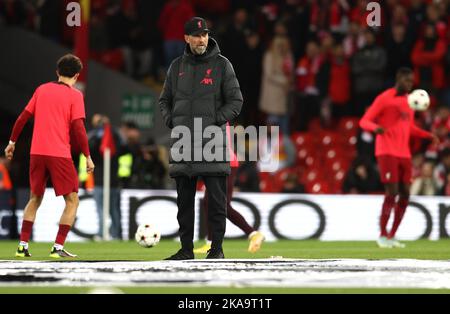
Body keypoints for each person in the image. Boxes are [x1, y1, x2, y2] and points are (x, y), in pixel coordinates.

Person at [159, 17, 243, 260]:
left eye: (205, 34)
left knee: (217, 202)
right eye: (196, 35)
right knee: (184, 202)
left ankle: (216, 249)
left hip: (212, 142)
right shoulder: (176, 66)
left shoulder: (222, 65)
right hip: (184, 142)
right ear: (186, 38)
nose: (201, 39)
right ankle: (186, 250)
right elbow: (164, 100)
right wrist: (172, 121)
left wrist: (215, 121)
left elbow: (236, 101)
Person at [4, 54, 94, 258]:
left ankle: (22, 245)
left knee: (34, 198)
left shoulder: (41, 89)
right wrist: (87, 155)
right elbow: (79, 128)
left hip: (36, 153)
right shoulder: (75, 95)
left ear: (57, 72)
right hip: (59, 154)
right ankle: (58, 247)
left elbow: (22, 118)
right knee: (72, 200)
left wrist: (12, 143)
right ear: (77, 76)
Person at [359, 67, 437, 249]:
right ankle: (382, 235)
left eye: (411, 82)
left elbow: (408, 127)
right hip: (386, 151)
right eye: (406, 81)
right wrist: (375, 128)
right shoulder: (384, 98)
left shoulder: (409, 102)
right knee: (392, 192)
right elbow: (364, 121)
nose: (409, 85)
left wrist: (427, 135)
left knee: (405, 195)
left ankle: (392, 234)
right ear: (398, 79)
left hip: (404, 153)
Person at [195, 123, 265, 254]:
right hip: (218, 162)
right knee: (209, 202)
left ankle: (253, 234)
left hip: (224, 162)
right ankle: (210, 243)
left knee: (221, 204)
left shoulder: (214, 114)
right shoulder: (212, 113)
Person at [88, 114, 123, 240]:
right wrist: (101, 130)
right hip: (100, 180)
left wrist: (108, 129)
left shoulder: (112, 137)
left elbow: (123, 146)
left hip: (111, 180)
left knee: (111, 209)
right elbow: (88, 146)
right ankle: (104, 233)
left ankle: (113, 234)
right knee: (104, 210)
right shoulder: (96, 139)